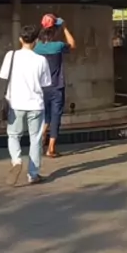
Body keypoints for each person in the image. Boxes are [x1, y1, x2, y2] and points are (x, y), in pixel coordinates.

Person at [0, 24, 51, 185]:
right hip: (36, 105)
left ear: (20, 39)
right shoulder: (41, 60)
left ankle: (16, 161)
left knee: (14, 135)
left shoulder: (11, 56)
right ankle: (33, 175)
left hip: (15, 103)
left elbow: (4, 76)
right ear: (36, 41)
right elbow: (46, 83)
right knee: (35, 139)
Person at [34, 14, 76, 157]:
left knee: (45, 114)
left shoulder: (37, 47)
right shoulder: (58, 46)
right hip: (57, 86)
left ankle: (41, 134)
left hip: (41, 87)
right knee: (56, 115)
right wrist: (64, 28)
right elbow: (73, 44)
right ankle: (51, 148)